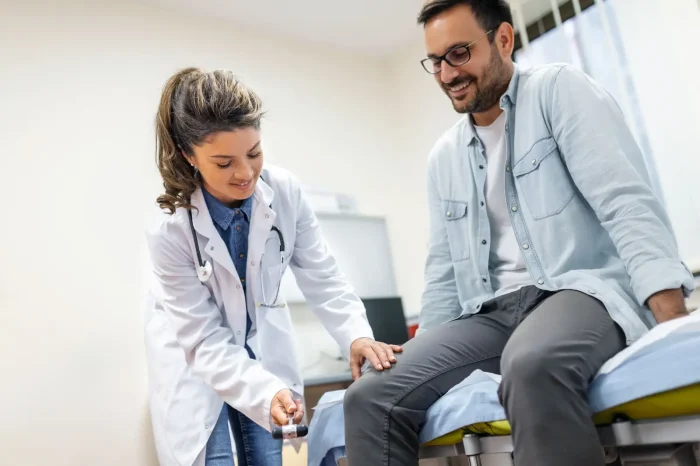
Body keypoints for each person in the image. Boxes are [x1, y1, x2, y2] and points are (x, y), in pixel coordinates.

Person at [343, 1, 695, 465]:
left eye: (459, 53)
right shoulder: (444, 157)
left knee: (531, 364)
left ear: (503, 39)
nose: (447, 74)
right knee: (368, 396)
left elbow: (624, 201)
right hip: (488, 314)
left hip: (576, 290)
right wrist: (424, 356)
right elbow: (444, 274)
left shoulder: (559, 91)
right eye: (436, 61)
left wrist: (671, 324)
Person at [143, 67, 402, 466]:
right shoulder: (171, 232)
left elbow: (321, 273)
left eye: (254, 153)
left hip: (263, 350)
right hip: (195, 366)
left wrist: (355, 335)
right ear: (188, 155)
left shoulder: (284, 192)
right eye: (224, 162)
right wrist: (263, 393)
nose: (245, 173)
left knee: (275, 458)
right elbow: (205, 341)